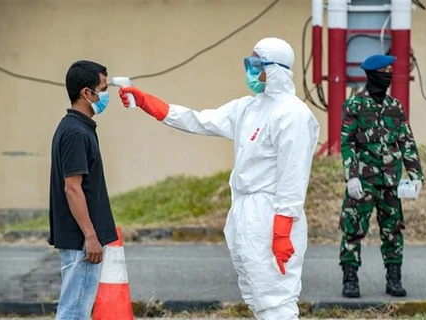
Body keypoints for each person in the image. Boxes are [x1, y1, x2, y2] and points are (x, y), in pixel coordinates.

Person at [118, 37, 320, 319]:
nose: (250, 70)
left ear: (274, 69)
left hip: (270, 212)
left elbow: (293, 174)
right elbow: (200, 120)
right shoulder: (248, 108)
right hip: (243, 210)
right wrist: (150, 104)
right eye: (248, 63)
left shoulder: (293, 114)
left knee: (275, 295)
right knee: (255, 291)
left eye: (255, 64)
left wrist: (283, 226)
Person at [339, 54, 424, 298]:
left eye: (390, 70)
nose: (388, 74)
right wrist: (352, 176)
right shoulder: (355, 105)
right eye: (383, 70)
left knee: (393, 230)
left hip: (391, 183)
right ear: (372, 74)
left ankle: (394, 278)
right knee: (353, 228)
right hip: (363, 182)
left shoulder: (395, 107)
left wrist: (415, 174)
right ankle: (350, 278)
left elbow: (406, 141)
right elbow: (348, 143)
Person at [48, 60, 118, 319]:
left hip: (82, 239)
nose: (106, 95)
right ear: (86, 93)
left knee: (76, 309)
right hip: (82, 241)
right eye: (103, 88)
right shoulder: (76, 132)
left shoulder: (78, 128)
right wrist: (90, 236)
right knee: (74, 312)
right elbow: (72, 189)